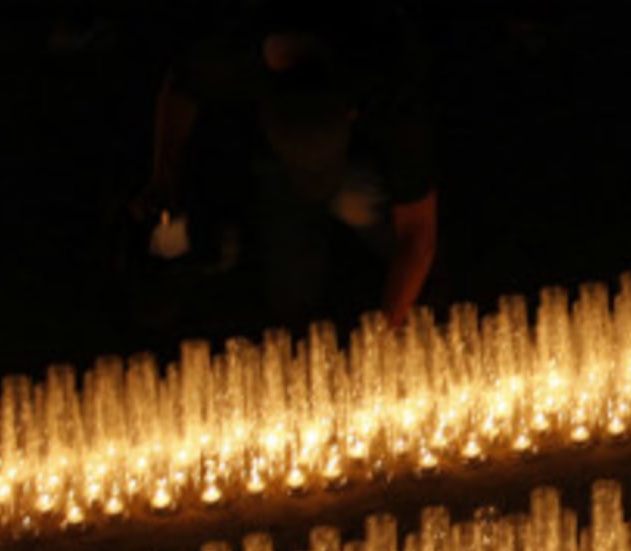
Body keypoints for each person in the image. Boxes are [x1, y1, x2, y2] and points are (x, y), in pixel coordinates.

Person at [132, 0, 437, 330]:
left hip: (362, 164)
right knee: (290, 280)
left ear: (350, 113)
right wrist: (162, 176)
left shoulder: (388, 82)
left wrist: (385, 334)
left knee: (361, 208)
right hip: (277, 166)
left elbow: (418, 232)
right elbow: (179, 87)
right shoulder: (238, 52)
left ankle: (430, 303)